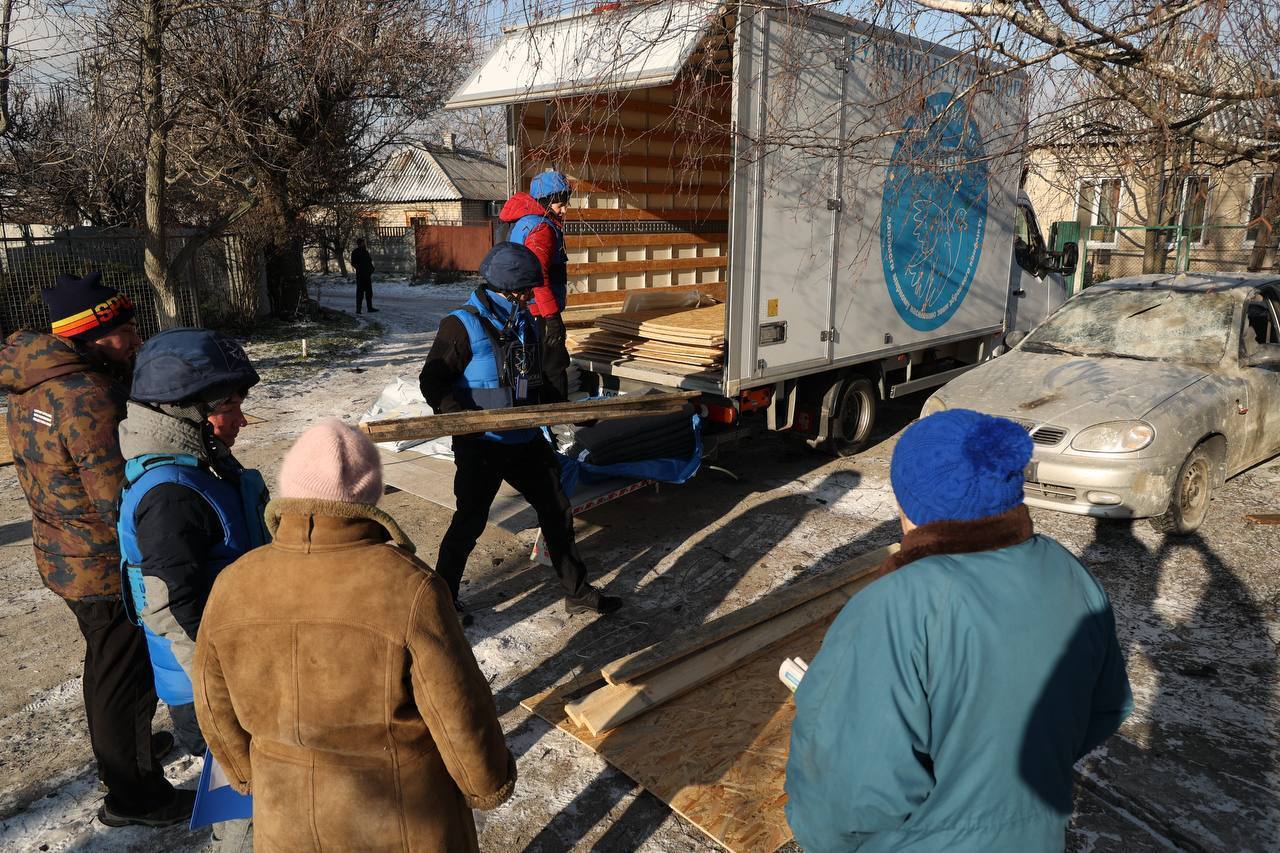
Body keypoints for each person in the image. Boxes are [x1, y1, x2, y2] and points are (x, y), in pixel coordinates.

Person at [785, 409, 1133, 852]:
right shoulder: (1069, 573)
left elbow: (844, 795)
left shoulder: (896, 606)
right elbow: (1108, 705)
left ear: (908, 504)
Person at [193, 418, 516, 851]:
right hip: (399, 818)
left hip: (286, 814)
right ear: (368, 495)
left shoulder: (235, 583)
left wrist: (246, 772)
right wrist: (486, 782)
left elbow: (212, 699)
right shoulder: (408, 586)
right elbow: (456, 704)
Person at [0, 271, 191, 827]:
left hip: (63, 550)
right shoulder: (85, 394)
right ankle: (135, 797)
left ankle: (124, 756)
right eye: (124, 331)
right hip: (103, 563)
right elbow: (119, 497)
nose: (134, 339)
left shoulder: (35, 382)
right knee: (123, 675)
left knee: (108, 665)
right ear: (90, 336)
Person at [115, 328, 268, 848]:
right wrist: (224, 695)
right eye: (230, 406)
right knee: (246, 799)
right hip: (211, 687)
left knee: (236, 788)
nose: (242, 420)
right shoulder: (171, 495)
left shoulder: (200, 466)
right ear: (185, 411)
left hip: (228, 670)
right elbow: (171, 610)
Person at [419, 242, 621, 621]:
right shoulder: (460, 325)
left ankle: (576, 591)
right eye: (526, 289)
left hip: (525, 439)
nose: (530, 296)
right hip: (481, 444)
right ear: (507, 288)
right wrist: (459, 418)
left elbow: (536, 384)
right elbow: (432, 381)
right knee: (470, 520)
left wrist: (571, 413)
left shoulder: (524, 321)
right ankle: (442, 601)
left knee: (556, 510)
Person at [499, 170, 571, 401]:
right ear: (546, 202)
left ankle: (534, 412)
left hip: (525, 308)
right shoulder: (542, 229)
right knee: (554, 365)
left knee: (530, 366)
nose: (565, 209)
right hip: (539, 311)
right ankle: (558, 417)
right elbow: (539, 277)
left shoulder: (525, 222)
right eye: (561, 203)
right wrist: (552, 319)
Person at [351, 238, 377, 314]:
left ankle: (370, 308)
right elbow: (353, 263)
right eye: (363, 243)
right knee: (360, 293)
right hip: (360, 275)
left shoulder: (365, 252)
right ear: (360, 243)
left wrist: (371, 269)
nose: (364, 244)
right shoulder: (355, 252)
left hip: (367, 275)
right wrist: (360, 269)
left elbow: (369, 261)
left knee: (369, 292)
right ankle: (358, 309)